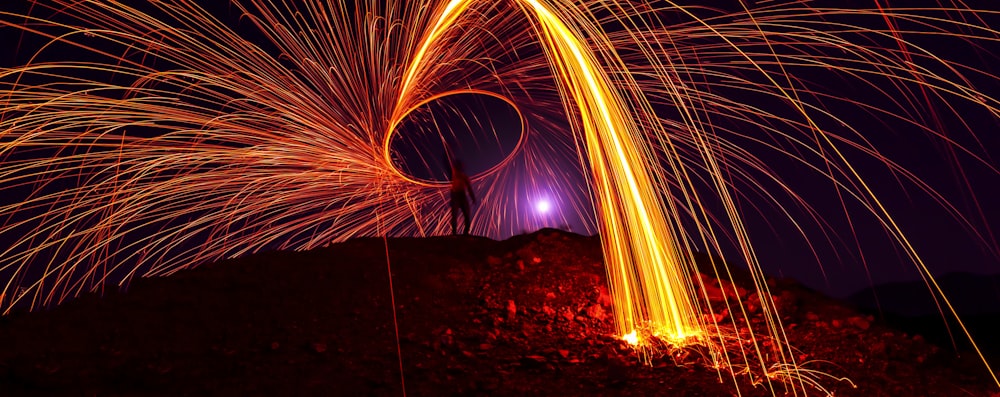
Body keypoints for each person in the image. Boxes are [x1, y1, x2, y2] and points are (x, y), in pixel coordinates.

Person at [449, 160, 476, 235]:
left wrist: (473, 197)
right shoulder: (454, 174)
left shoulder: (464, 177)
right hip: (455, 195)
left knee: (466, 215)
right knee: (454, 215)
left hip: (461, 195)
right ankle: (454, 233)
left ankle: (465, 232)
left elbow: (469, 188)